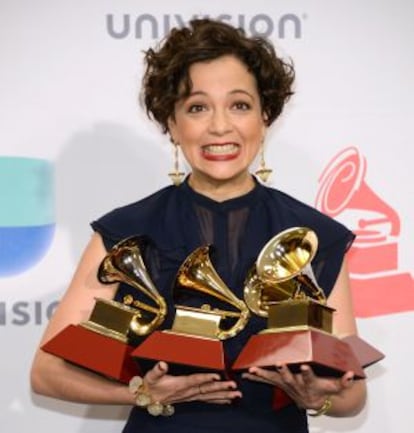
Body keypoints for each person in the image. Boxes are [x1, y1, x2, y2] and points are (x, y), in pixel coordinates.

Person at [31, 18, 366, 433]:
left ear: (266, 116)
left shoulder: (314, 236)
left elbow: (353, 393)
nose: (220, 126)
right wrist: (140, 393)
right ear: (172, 125)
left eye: (239, 105)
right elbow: (46, 373)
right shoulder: (124, 233)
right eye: (197, 107)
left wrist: (322, 397)